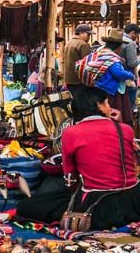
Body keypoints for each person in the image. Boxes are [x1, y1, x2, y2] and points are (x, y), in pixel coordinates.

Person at [16, 86, 140, 229]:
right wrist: (117, 123)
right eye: (107, 103)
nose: (109, 107)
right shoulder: (125, 129)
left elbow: (70, 177)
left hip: (99, 207)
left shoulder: (70, 133)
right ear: (98, 105)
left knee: (26, 206)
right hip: (133, 200)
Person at [84, 29, 135, 126]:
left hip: (101, 88)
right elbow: (118, 73)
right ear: (117, 46)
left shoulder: (101, 53)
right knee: (113, 114)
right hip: (112, 91)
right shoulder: (111, 57)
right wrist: (131, 75)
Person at [63, 24, 93, 104]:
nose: (89, 37)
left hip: (69, 79)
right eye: (88, 34)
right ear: (81, 33)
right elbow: (88, 63)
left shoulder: (69, 43)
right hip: (80, 80)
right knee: (82, 103)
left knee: (75, 102)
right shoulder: (83, 44)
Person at [121, 23, 140, 114]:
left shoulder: (118, 40)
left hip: (119, 75)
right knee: (129, 104)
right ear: (132, 33)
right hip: (129, 77)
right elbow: (132, 63)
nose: (137, 37)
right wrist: (138, 60)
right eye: (137, 35)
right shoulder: (129, 43)